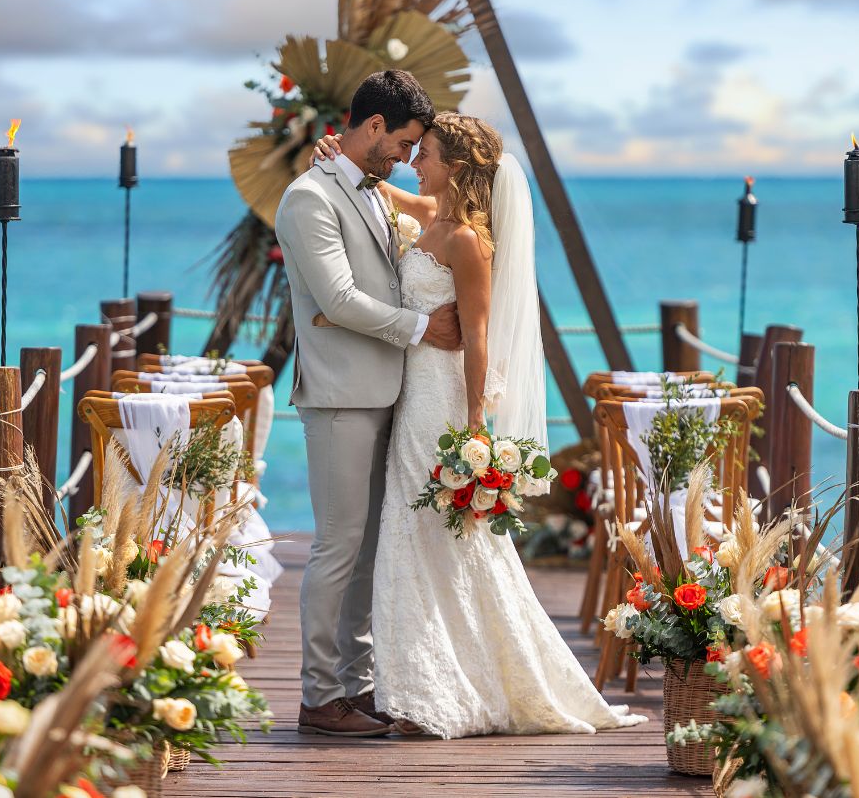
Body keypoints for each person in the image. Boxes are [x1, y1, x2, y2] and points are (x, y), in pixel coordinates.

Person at [312, 115, 647, 739]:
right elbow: (388, 191)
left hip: (439, 403)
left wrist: (472, 423)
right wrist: (338, 157)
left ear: (457, 169)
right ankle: (424, 681)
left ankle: (433, 691)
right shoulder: (434, 217)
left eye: (428, 154)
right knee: (418, 538)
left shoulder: (468, 240)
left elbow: (479, 339)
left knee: (434, 537)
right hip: (409, 395)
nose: (416, 161)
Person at [274, 70, 463, 737]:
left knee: (367, 549)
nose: (410, 157)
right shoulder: (308, 198)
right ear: (375, 126)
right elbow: (337, 299)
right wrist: (422, 328)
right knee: (336, 546)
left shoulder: (373, 192)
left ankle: (353, 684)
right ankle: (318, 693)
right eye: (405, 142)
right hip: (339, 397)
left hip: (389, 391)